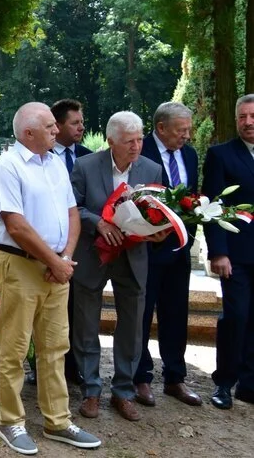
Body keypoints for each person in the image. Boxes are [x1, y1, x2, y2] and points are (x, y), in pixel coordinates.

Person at [0, 102, 100, 455]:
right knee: (14, 347)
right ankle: (11, 421)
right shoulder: (6, 166)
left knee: (55, 346)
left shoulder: (54, 163)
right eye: (50, 126)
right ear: (28, 133)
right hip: (20, 264)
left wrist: (64, 258)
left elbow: (72, 213)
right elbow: (16, 225)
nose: (57, 130)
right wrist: (54, 260)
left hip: (56, 266)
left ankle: (58, 421)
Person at [71, 111, 164, 422]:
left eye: (139, 140)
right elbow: (73, 207)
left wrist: (158, 231)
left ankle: (123, 391)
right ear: (111, 141)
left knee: (133, 327)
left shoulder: (151, 168)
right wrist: (98, 223)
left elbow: (159, 211)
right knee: (86, 324)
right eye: (128, 141)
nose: (136, 147)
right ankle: (91, 390)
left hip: (133, 258)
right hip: (93, 256)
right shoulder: (85, 165)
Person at [134, 102, 202, 407]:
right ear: (161, 128)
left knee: (176, 313)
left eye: (188, 129)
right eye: (181, 130)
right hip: (147, 248)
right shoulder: (141, 150)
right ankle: (140, 377)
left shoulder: (190, 155)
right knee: (141, 313)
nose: (186, 135)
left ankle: (175, 377)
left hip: (179, 248)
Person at [26, 98, 91, 387]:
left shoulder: (88, 158)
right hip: (39, 253)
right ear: (58, 125)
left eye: (82, 122)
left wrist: (66, 256)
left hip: (78, 250)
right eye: (75, 123)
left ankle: (73, 367)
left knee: (75, 311)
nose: (81, 127)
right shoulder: (35, 158)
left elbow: (77, 208)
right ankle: (37, 367)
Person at [202, 94, 254, 410]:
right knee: (236, 316)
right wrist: (218, 252)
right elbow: (212, 207)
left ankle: (249, 385)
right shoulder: (220, 155)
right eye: (242, 117)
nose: (248, 122)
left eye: (253, 116)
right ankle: (224, 382)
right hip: (236, 255)